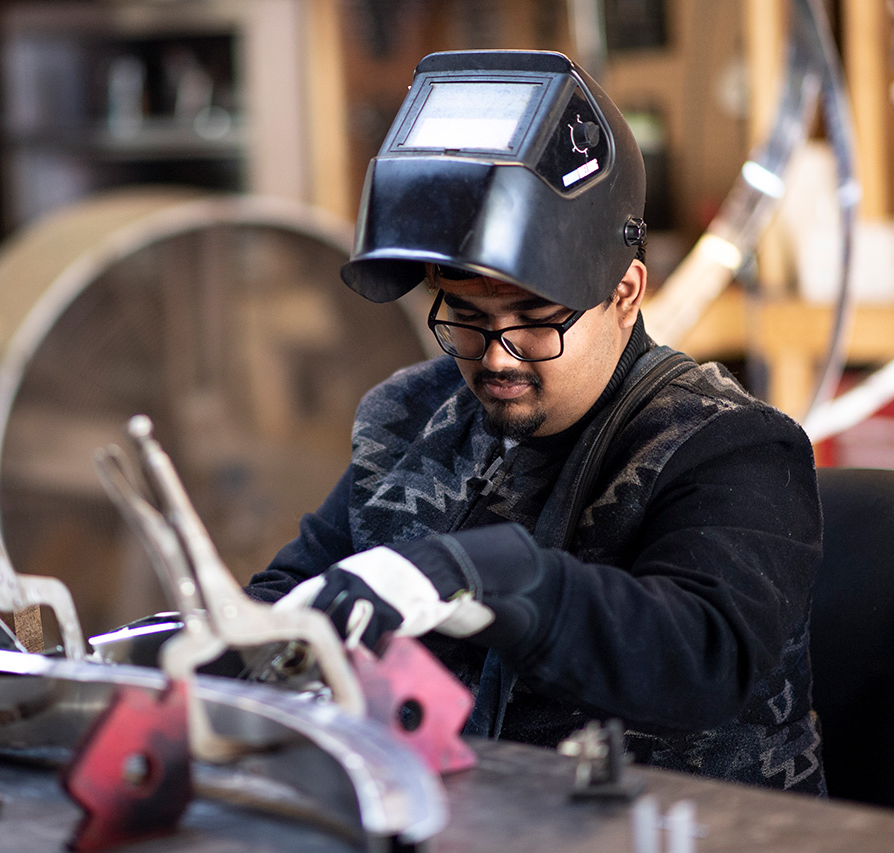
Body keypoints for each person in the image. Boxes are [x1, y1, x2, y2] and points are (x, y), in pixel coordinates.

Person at [245, 49, 825, 796]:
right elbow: (295, 588)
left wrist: (486, 576)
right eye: (468, 318)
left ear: (624, 290)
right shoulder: (408, 418)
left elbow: (701, 656)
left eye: (534, 321)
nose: (498, 358)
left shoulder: (731, 448)